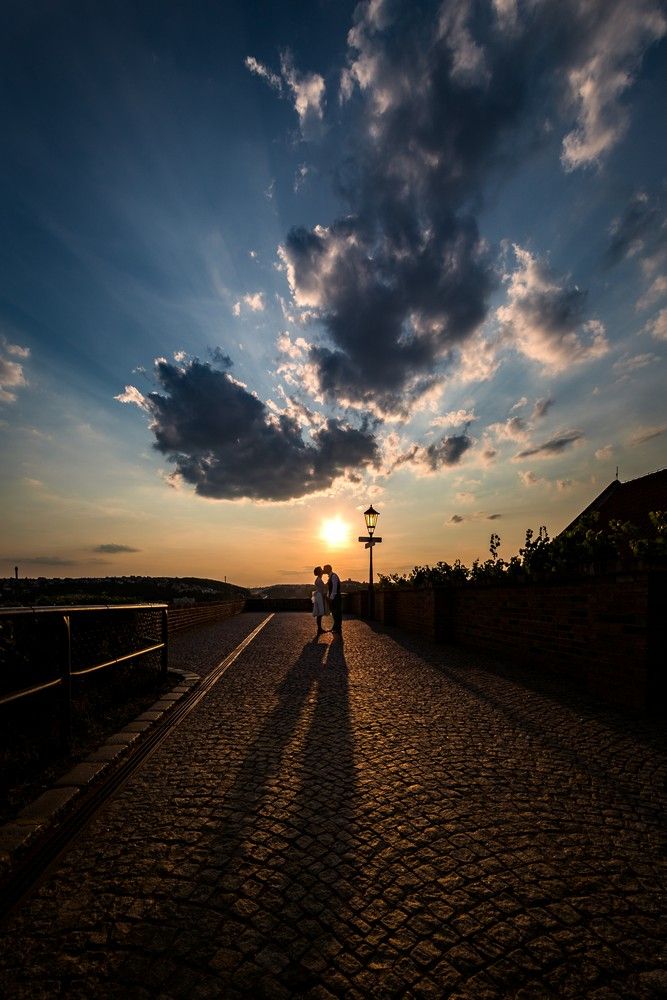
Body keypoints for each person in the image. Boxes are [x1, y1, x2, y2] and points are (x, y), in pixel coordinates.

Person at [323, 563, 342, 634]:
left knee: (337, 613)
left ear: (328, 569)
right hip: (334, 597)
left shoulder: (333, 576)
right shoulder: (331, 576)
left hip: (335, 598)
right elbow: (330, 589)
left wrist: (331, 598)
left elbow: (334, 589)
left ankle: (338, 628)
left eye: (324, 569)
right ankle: (335, 627)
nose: (324, 570)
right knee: (334, 613)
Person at [312, 566, 328, 636]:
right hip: (319, 596)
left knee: (319, 613)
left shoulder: (318, 579)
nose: (322, 571)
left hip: (319, 595)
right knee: (319, 613)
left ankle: (319, 629)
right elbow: (322, 589)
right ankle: (319, 629)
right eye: (321, 570)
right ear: (319, 572)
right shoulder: (319, 580)